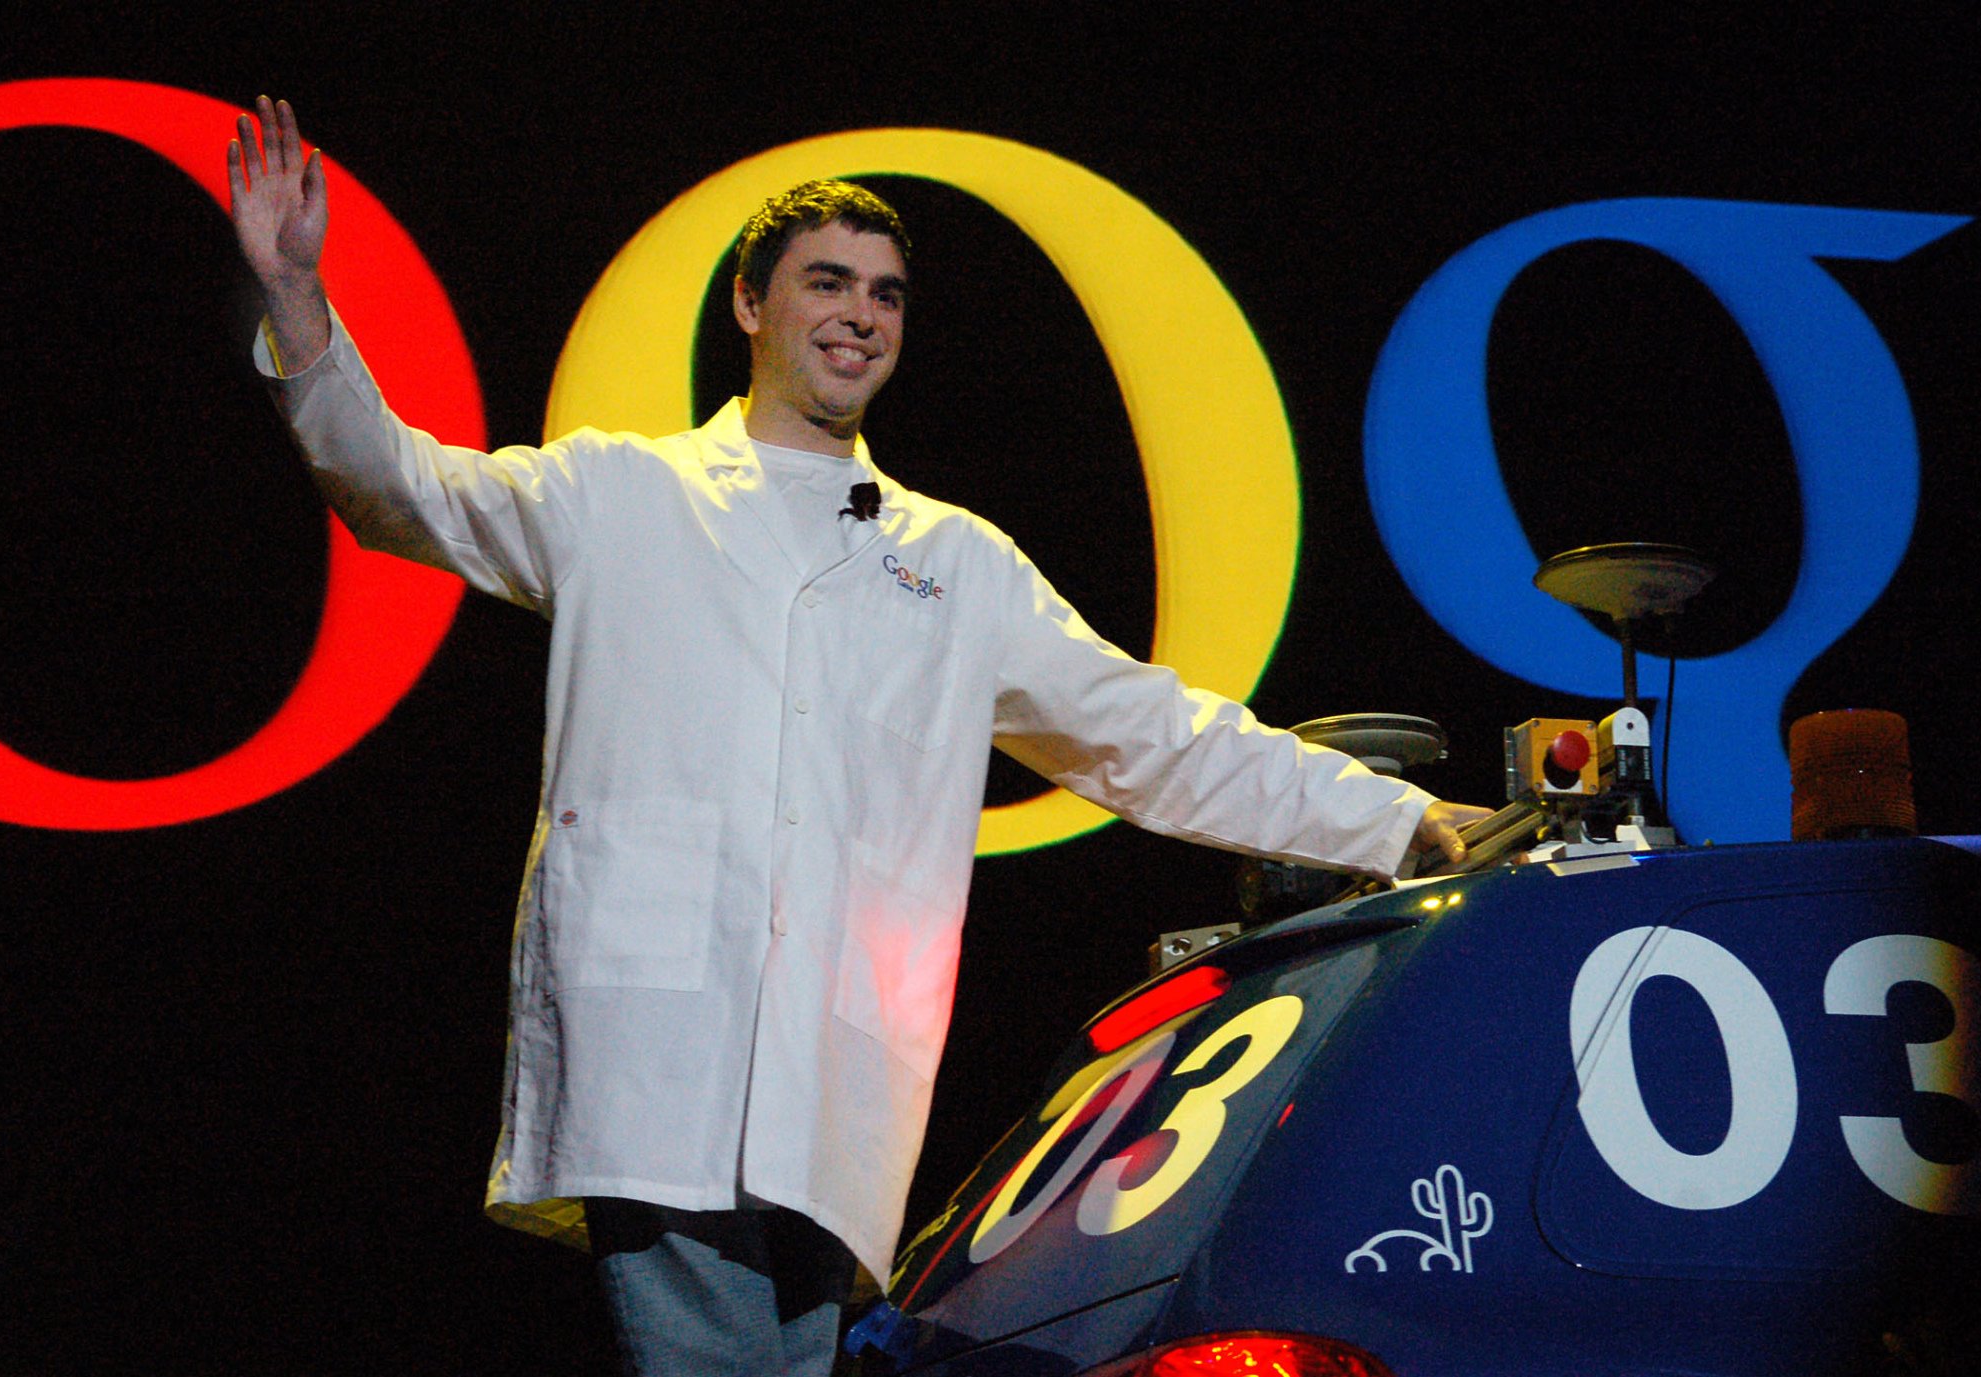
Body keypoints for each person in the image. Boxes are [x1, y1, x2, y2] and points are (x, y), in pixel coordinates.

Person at [227, 96, 1491, 1376]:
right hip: (662, 1052)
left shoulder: (953, 560)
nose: (859, 315)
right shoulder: (619, 492)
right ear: (750, 307)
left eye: (885, 295)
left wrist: (1400, 821)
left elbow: (1149, 735)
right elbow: (395, 487)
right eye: (827, 283)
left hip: (834, 1092)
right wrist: (292, 292)